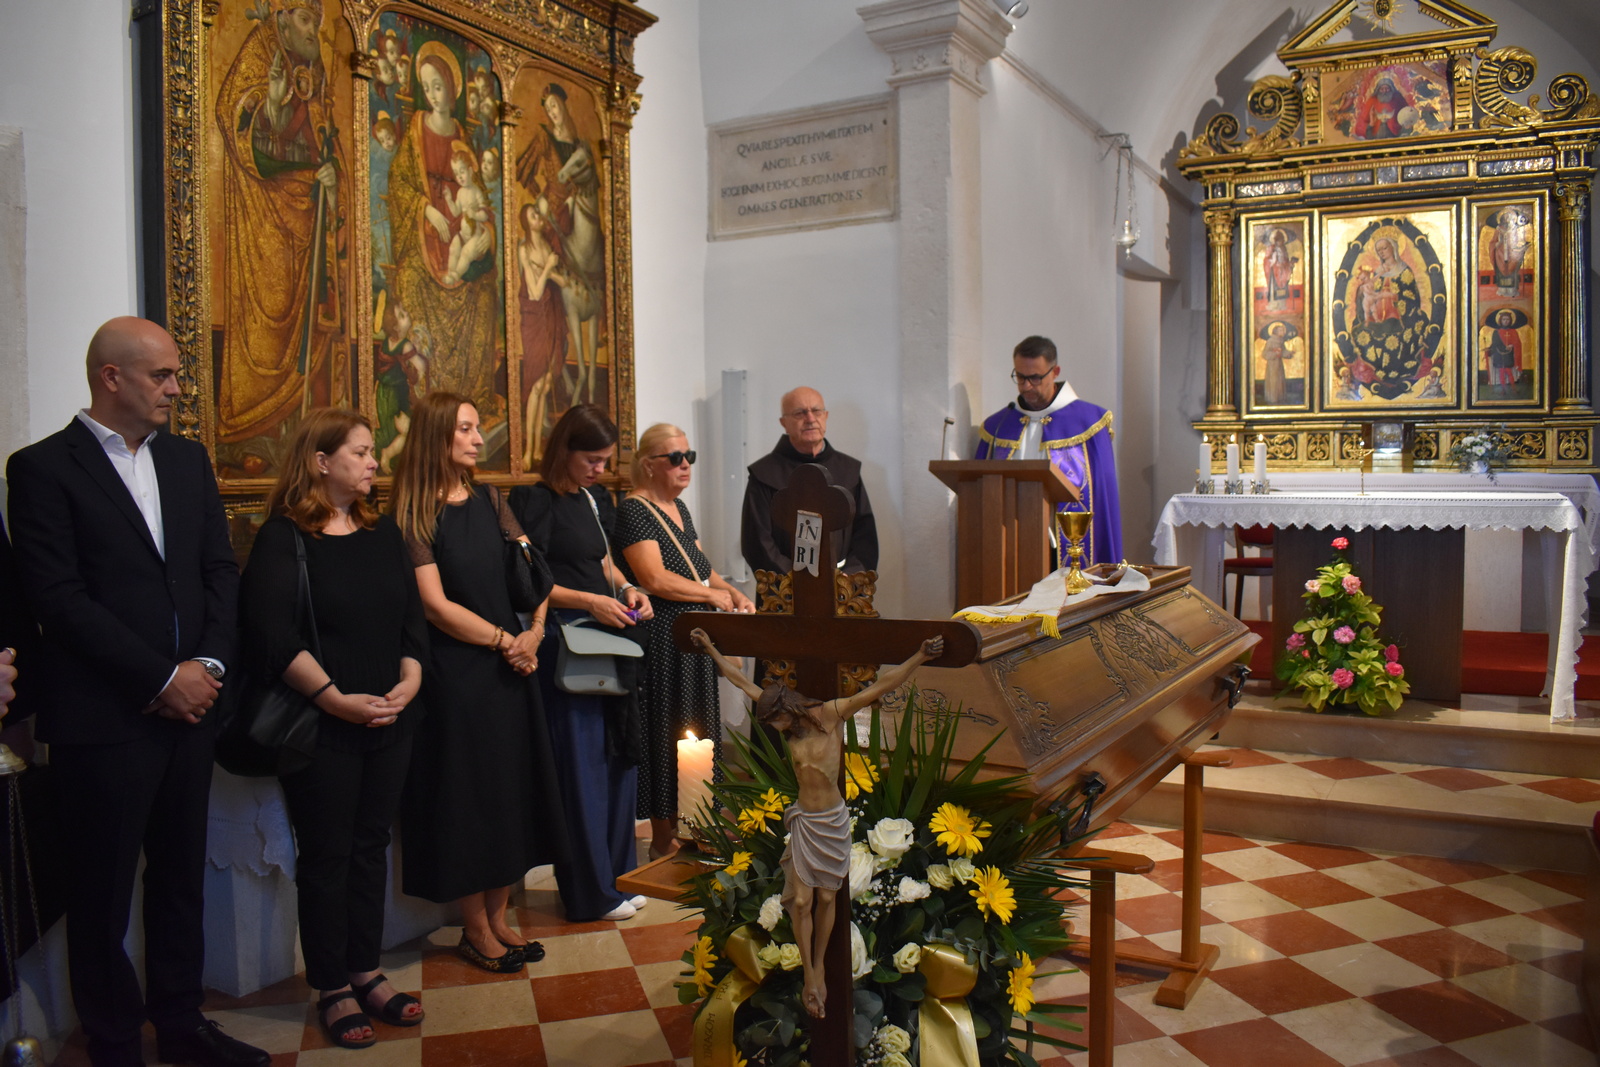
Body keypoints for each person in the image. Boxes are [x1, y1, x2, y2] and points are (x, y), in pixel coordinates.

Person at [5, 318, 268, 1067]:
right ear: (110, 377)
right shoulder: (42, 468)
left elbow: (219, 571)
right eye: (163, 375)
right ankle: (115, 1042)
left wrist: (206, 667)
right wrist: (160, 677)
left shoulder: (186, 460)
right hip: (103, 720)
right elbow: (58, 598)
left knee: (181, 882)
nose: (177, 389)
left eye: (177, 374)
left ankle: (181, 1025)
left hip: (191, 712)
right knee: (102, 896)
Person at [239, 409, 427, 1048]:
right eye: (362, 452)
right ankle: (331, 985)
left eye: (373, 452)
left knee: (372, 845)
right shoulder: (284, 537)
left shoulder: (382, 531)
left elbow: (410, 620)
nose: (375, 462)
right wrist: (335, 699)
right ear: (321, 462)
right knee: (327, 855)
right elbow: (272, 637)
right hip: (323, 725)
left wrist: (410, 679)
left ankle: (365, 969)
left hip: (390, 717)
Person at [391, 392, 562, 973]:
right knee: (470, 799)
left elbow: (534, 574)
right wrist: (504, 641)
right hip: (458, 675)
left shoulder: (491, 499)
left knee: (509, 791)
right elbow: (435, 606)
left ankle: (499, 917)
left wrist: (533, 632)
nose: (478, 437)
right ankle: (474, 927)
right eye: (465, 428)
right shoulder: (414, 512)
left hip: (512, 665)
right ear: (437, 436)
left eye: (476, 427)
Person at [692, 627, 944, 1019]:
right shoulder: (785, 722)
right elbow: (740, 679)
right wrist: (710, 647)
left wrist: (920, 656)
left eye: (775, 721)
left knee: (828, 898)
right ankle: (810, 975)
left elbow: (882, 685)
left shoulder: (832, 713)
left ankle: (820, 964)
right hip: (805, 821)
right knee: (801, 902)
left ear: (786, 709)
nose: (776, 729)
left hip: (831, 820)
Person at [511, 405, 653, 921]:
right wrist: (590, 601)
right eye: (591, 459)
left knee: (617, 760)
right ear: (564, 450)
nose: (600, 469)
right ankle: (590, 892)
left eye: (606, 460)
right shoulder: (534, 499)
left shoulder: (594, 499)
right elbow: (531, 579)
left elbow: (603, 562)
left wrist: (628, 588)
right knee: (583, 770)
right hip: (566, 642)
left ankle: (617, 878)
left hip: (606, 636)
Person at [614, 424, 753, 859]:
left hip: (691, 640)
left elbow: (699, 568)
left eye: (688, 456)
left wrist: (731, 592)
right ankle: (662, 837)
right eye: (675, 458)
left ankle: (697, 823)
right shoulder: (634, 511)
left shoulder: (678, 508)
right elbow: (654, 578)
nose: (685, 465)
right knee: (665, 729)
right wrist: (712, 597)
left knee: (696, 729)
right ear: (648, 465)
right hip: (662, 640)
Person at [213, 0, 348, 447]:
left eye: (317, 23)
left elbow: (328, 147)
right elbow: (234, 120)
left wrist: (332, 179)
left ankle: (303, 438)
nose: (313, 32)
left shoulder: (316, 76)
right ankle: (254, 432)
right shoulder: (259, 56)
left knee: (310, 333)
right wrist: (271, 103)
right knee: (267, 323)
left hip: (309, 220)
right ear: (282, 20)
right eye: (306, 20)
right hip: (265, 215)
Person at [388, 40, 500, 408]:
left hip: (459, 235)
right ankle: (422, 399)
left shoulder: (462, 137)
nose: (433, 95)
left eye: (438, 86)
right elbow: (398, 181)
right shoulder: (416, 128)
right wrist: (426, 209)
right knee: (409, 279)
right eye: (427, 87)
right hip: (426, 237)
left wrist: (486, 236)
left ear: (452, 87)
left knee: (485, 292)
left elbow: (481, 201)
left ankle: (470, 400)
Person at [975, 335, 1122, 566]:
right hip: (1009, 544)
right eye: (1020, 377)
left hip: (1063, 547)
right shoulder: (999, 426)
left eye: (1034, 377)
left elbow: (1102, 496)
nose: (1026, 386)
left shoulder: (1089, 423)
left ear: (1055, 372)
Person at [742, 387, 879, 579]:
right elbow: (758, 543)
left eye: (816, 411)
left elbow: (865, 535)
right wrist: (802, 583)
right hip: (785, 587)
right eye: (799, 413)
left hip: (843, 586)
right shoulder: (764, 474)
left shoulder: (848, 470)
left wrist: (849, 577)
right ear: (783, 423)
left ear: (826, 416)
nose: (810, 419)